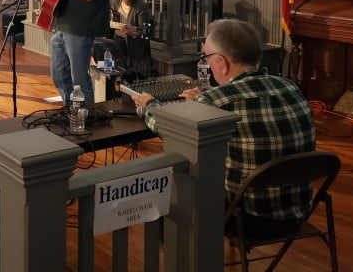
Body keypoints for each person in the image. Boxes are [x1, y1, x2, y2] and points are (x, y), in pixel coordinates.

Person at [132, 19, 316, 237]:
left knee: (166, 199)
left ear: (222, 62)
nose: (208, 64)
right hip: (297, 213)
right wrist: (203, 101)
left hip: (246, 218)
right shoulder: (289, 87)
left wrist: (149, 105)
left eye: (207, 58)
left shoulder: (218, 100)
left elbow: (165, 128)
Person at [110, 0, 153, 79]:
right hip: (119, 45)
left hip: (135, 51)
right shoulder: (116, 1)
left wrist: (132, 33)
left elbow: (147, 32)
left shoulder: (140, 6)